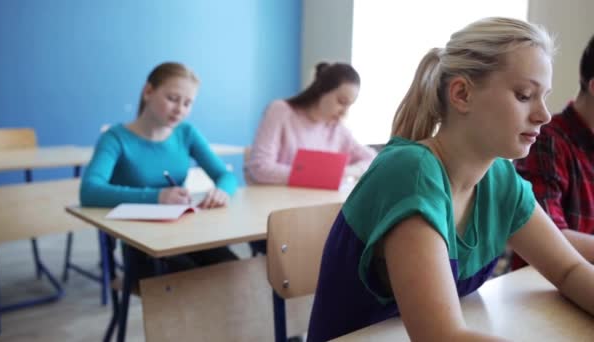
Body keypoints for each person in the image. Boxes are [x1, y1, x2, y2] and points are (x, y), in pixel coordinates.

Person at [307, 17, 594, 342]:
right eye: (525, 95)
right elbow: (440, 336)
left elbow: (569, 270)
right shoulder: (412, 174)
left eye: (545, 96)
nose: (544, 114)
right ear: (461, 94)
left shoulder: (500, 179)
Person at [80, 62, 238, 280]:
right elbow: (89, 191)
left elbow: (226, 176)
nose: (180, 110)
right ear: (148, 92)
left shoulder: (186, 133)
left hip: (185, 232)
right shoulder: (115, 138)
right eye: (173, 99)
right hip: (141, 245)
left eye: (188, 103)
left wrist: (222, 192)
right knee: (191, 279)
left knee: (232, 268)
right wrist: (157, 196)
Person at [513, 35, 594, 269]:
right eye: (524, 95)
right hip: (542, 289)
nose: (542, 114)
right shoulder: (545, 140)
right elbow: (549, 238)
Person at [245, 62, 377, 185]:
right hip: (278, 201)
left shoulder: (337, 130)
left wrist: (347, 172)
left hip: (317, 202)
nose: (344, 113)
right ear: (322, 90)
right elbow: (259, 167)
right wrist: (319, 175)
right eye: (341, 102)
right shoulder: (280, 111)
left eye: (349, 105)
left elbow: (373, 158)